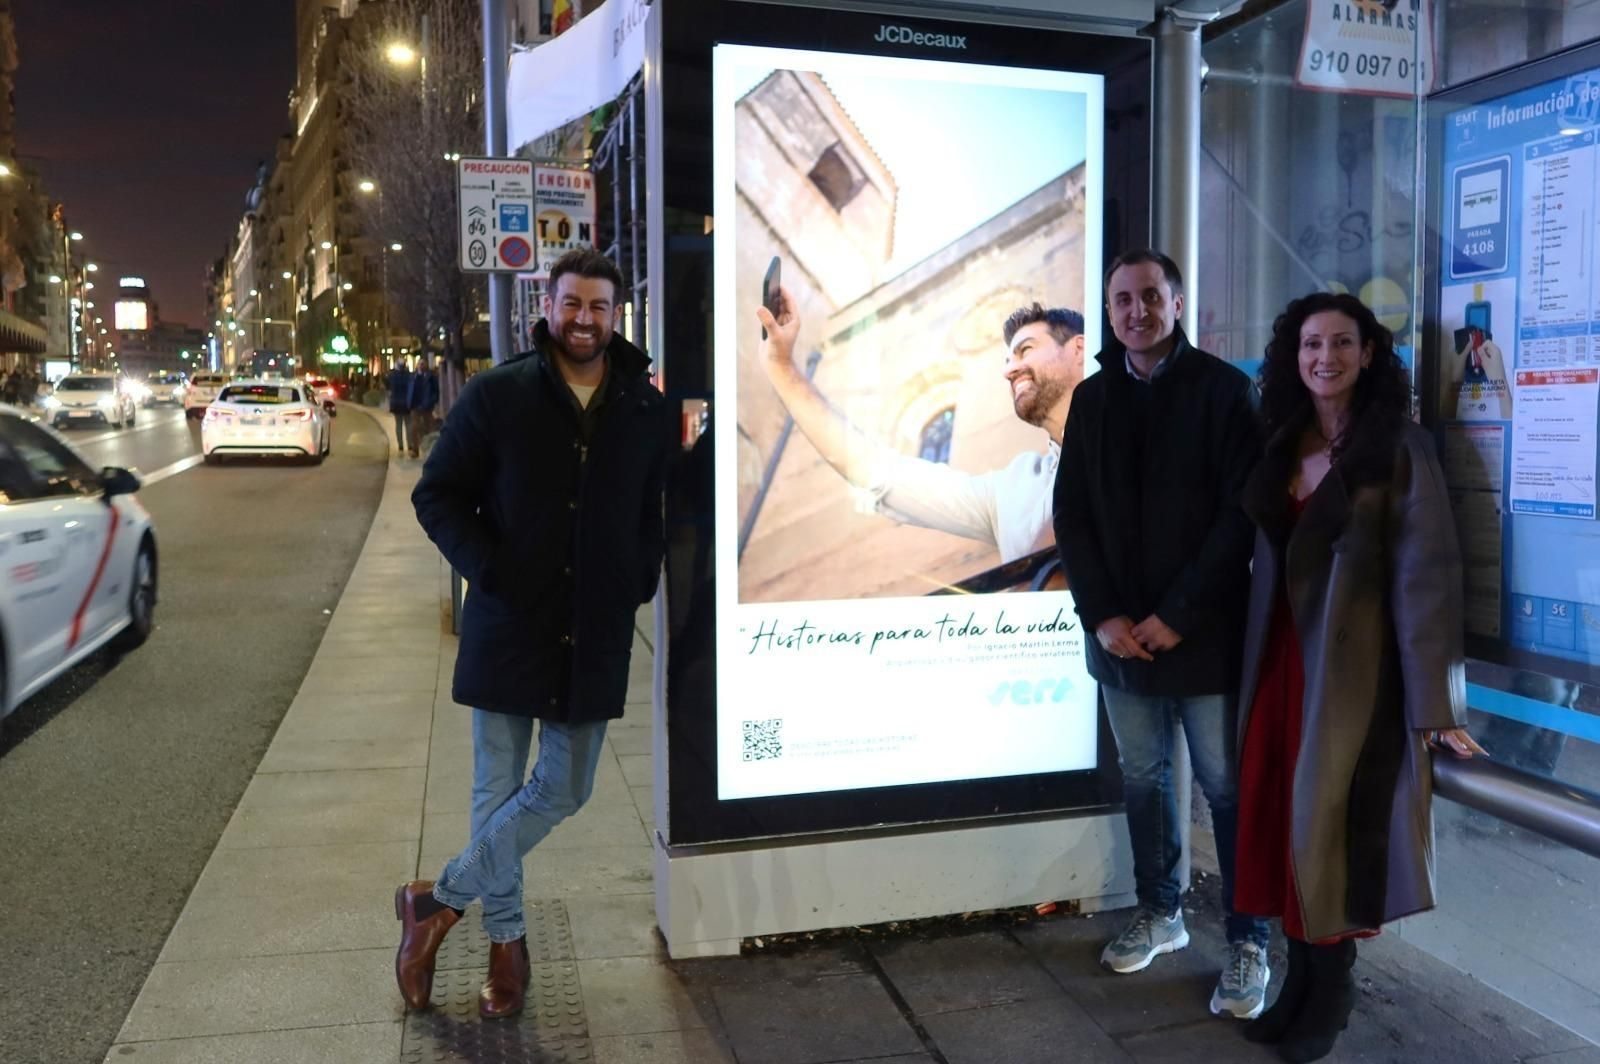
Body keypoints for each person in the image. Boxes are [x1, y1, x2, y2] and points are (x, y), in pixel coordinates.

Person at [399, 248, 670, 1019]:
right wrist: (492, 570)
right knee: (495, 795)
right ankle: (506, 949)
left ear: (616, 315)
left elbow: (650, 506)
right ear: (545, 307)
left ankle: (437, 904)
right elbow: (438, 494)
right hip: (510, 625)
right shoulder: (498, 395)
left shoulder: (643, 408)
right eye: (572, 304)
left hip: (593, 630)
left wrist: (636, 577)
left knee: (565, 787)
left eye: (599, 307)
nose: (584, 319)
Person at [1232, 292, 1483, 1062]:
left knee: (1330, 828)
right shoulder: (1285, 440)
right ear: (1294, 355)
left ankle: (1332, 989)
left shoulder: (1400, 448)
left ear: (1368, 353)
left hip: (1351, 677)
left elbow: (1427, 578)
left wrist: (1437, 703)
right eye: (1312, 344)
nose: (1325, 358)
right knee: (1280, 821)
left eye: (1342, 343)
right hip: (1278, 662)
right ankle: (1299, 983)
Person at [1053, 249, 1271, 1017]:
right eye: (1123, 299)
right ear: (1109, 312)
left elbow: (1238, 519)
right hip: (1118, 642)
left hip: (1204, 635)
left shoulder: (1224, 393)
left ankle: (1249, 939)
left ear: (1177, 303)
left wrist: (1177, 614)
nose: (1137, 310)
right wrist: (1103, 614)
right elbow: (1072, 517)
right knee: (1144, 781)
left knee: (1225, 786)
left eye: (1151, 295)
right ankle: (1163, 912)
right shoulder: (1091, 400)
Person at [757, 290, 1086, 562]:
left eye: (1025, 350)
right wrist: (781, 367)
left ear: (1080, 349)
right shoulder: (1011, 492)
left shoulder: (1134, 430)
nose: (1009, 370)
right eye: (1006, 360)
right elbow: (874, 471)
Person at [407, 355, 439, 459]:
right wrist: (409, 401)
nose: (421, 366)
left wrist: (432, 401)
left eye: (423, 364)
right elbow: (410, 388)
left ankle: (431, 449)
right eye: (419, 364)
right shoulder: (413, 376)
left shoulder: (431, 377)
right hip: (415, 405)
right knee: (414, 428)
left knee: (429, 427)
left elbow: (436, 391)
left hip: (426, 406)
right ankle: (415, 450)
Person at [386, 358, 413, 455]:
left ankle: (400, 445)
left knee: (398, 425)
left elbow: (388, 385)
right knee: (408, 424)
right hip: (407, 403)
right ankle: (410, 444)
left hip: (396, 403)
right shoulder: (409, 376)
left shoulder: (392, 376)